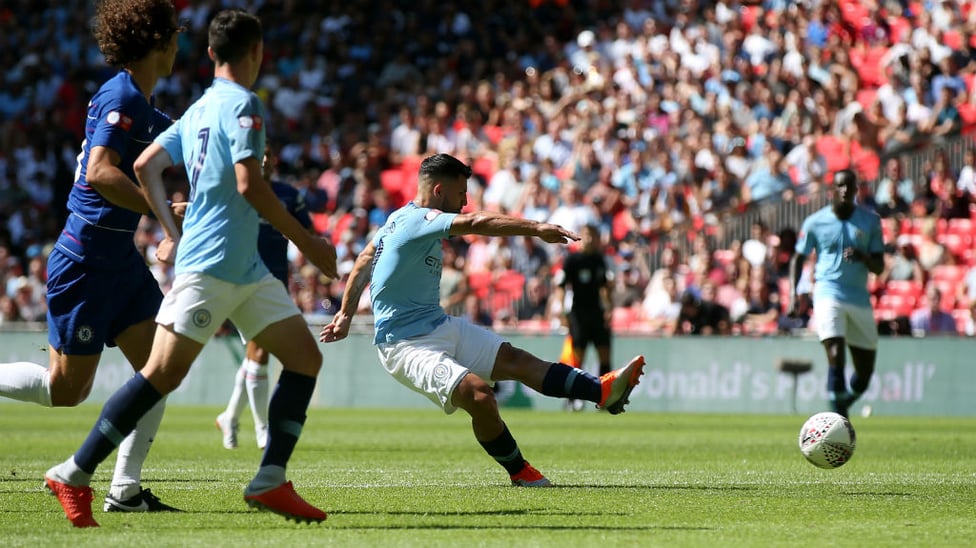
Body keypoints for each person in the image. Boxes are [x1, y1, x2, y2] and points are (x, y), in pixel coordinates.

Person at [44, 9, 338, 528]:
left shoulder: (201, 106)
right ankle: (74, 472)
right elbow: (249, 185)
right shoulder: (244, 105)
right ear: (257, 53)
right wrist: (308, 243)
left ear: (209, 53)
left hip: (241, 266)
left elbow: (145, 165)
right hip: (216, 263)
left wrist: (172, 229)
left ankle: (270, 479)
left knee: (304, 358)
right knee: (159, 375)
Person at [320, 153, 645, 488]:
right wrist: (536, 228)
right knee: (479, 395)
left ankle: (602, 392)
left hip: (439, 325)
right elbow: (475, 224)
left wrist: (345, 313)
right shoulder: (419, 220)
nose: (464, 202)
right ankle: (519, 471)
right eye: (460, 193)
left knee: (518, 361)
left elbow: (363, 259)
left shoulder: (395, 220)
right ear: (437, 192)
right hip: (404, 345)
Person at [0, 0, 184, 514]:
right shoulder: (121, 96)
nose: (178, 46)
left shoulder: (143, 105)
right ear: (156, 41)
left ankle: (124, 491)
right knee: (66, 391)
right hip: (84, 261)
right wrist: (161, 211)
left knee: (160, 366)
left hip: (118, 261)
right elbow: (102, 172)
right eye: (173, 37)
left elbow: (185, 139)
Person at [215, 144, 313, 450]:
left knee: (256, 354)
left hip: (276, 283)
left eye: (271, 154)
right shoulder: (237, 191)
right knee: (261, 353)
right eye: (261, 153)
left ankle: (230, 416)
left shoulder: (288, 195)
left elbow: (306, 233)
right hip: (243, 281)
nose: (267, 159)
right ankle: (262, 429)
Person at [789, 169, 885, 419]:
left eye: (849, 187)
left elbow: (879, 266)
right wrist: (793, 293)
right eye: (840, 186)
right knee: (835, 353)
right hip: (827, 291)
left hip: (858, 297)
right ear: (832, 190)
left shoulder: (870, 221)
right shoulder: (815, 222)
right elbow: (798, 257)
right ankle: (837, 419)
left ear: (856, 191)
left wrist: (863, 256)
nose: (844, 191)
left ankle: (842, 404)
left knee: (864, 374)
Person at [553, 224, 614, 378]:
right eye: (586, 235)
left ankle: (604, 393)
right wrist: (561, 310)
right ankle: (573, 398)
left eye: (593, 235)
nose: (589, 239)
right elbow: (561, 286)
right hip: (579, 313)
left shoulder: (599, 259)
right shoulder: (572, 260)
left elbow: (604, 287)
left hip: (597, 312)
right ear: (580, 237)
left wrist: (609, 308)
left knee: (604, 352)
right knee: (578, 354)